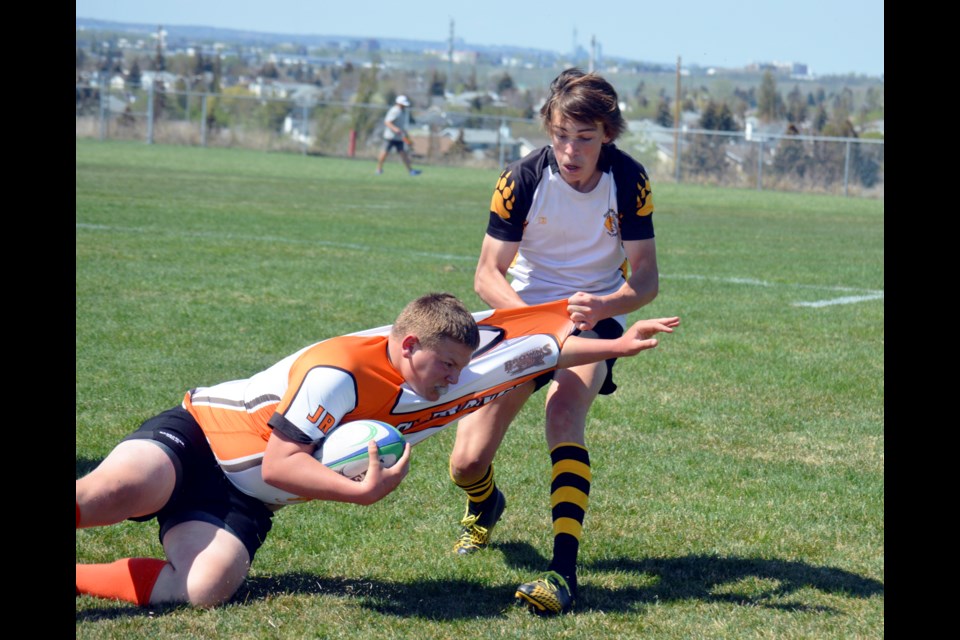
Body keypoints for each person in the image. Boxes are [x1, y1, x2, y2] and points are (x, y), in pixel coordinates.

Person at [76, 292, 678, 608]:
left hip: (243, 502)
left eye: (460, 367)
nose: (453, 379)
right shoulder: (339, 373)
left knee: (204, 591)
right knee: (113, 494)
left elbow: (541, 348)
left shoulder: (453, 370)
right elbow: (283, 462)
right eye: (443, 364)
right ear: (408, 344)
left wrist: (620, 346)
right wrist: (359, 492)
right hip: (200, 441)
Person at [447, 68, 661, 616]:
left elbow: (646, 281)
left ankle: (563, 573)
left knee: (564, 414)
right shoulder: (520, 178)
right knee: (465, 464)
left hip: (593, 320)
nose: (570, 150)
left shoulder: (629, 180)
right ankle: (485, 503)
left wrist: (607, 306)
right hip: (523, 319)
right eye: (561, 135)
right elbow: (486, 274)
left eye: (584, 138)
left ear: (607, 135)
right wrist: (538, 324)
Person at [375, 94, 421, 176]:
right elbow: (387, 122)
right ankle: (378, 169)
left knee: (403, 154)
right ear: (399, 103)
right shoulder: (394, 111)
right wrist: (395, 129)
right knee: (384, 153)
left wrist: (406, 136)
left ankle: (411, 171)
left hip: (399, 138)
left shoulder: (403, 112)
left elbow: (401, 126)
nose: (404, 106)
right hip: (390, 137)